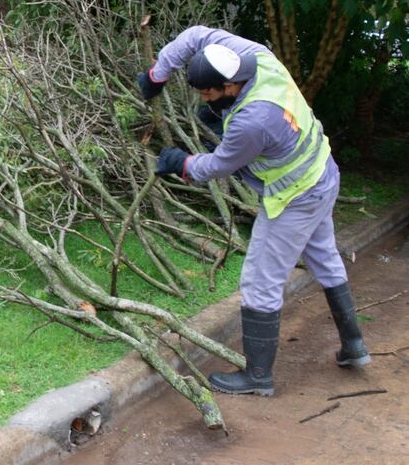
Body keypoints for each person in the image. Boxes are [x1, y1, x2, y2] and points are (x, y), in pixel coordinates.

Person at [136, 26, 370, 396]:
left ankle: (258, 376)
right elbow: (196, 35)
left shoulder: (252, 121)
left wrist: (181, 163)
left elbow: (218, 166)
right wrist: (158, 74)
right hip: (322, 172)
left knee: (260, 281)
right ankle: (354, 346)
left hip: (295, 197)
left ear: (231, 87)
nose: (203, 97)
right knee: (324, 257)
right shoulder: (258, 57)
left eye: (208, 93)